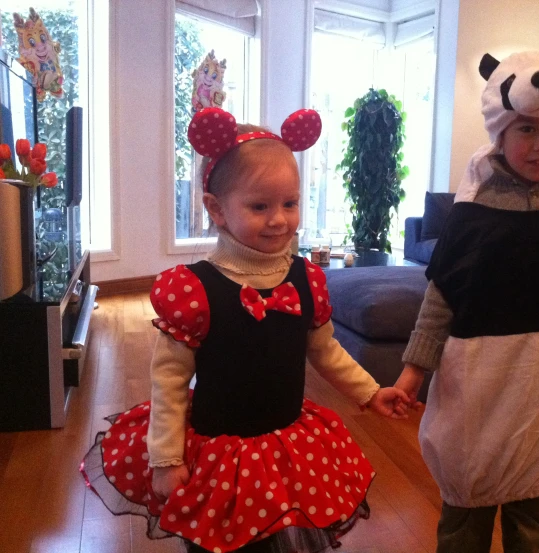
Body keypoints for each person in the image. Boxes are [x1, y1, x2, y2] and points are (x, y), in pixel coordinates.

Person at [81, 106, 410, 553]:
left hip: (286, 449)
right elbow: (170, 379)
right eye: (260, 206)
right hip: (219, 455)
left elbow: (326, 351)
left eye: (290, 203)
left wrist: (371, 392)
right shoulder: (194, 289)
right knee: (218, 543)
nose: (279, 219)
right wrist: (165, 458)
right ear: (216, 208)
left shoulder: (307, 279)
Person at [393, 39, 539, 553]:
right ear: (501, 134)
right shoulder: (471, 216)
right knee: (465, 506)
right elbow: (440, 300)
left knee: (532, 508)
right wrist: (414, 372)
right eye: (527, 128)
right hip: (475, 379)